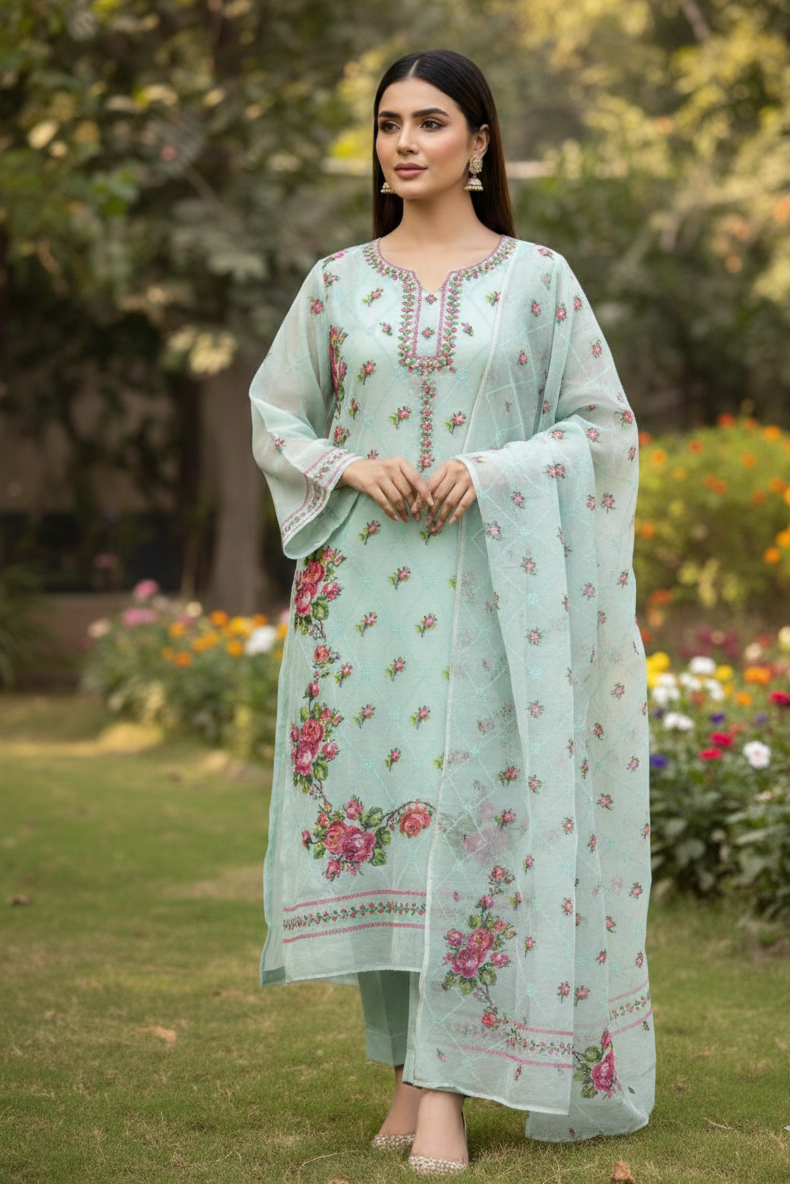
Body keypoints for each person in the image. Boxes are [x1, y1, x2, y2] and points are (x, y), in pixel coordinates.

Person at [249, 47, 655, 1174]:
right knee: (392, 821)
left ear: (480, 143)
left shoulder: (539, 280)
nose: (404, 142)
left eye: (430, 121)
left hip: (496, 596)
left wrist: (494, 470)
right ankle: (406, 1067)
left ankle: (440, 1087)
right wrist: (352, 465)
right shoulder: (335, 282)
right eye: (388, 124)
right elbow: (277, 416)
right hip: (364, 598)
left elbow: (601, 428)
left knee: (472, 821)